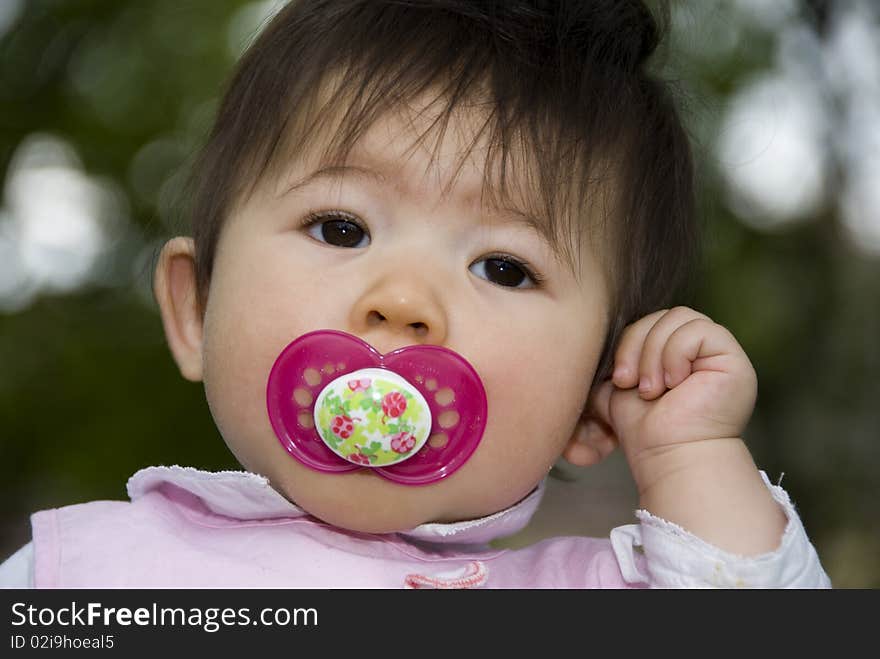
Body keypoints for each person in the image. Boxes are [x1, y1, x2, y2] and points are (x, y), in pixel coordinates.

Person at [0, 0, 830, 588]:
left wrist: (690, 459)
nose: (403, 300)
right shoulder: (86, 579)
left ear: (590, 403)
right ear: (195, 309)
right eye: (340, 226)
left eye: (505, 266)